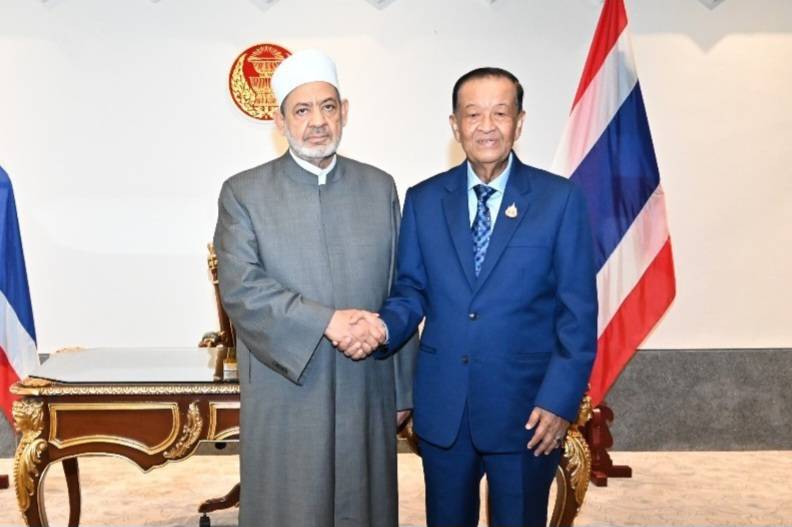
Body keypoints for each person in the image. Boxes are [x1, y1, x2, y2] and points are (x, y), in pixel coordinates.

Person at [376, 67, 598, 527]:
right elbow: (411, 291)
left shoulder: (559, 200)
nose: (486, 126)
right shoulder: (423, 199)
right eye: (473, 114)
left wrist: (559, 401)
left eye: (500, 113)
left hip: (527, 412)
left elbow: (577, 315)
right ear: (455, 126)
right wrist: (379, 329)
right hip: (445, 408)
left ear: (520, 122)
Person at [213, 49, 418, 527]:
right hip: (287, 387)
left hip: (366, 385)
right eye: (302, 110)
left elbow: (401, 285)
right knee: (291, 508)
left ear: (344, 111)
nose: (318, 122)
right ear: (280, 121)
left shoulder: (379, 187)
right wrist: (326, 321)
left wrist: (403, 391)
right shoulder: (243, 193)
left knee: (364, 506)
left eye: (328, 107)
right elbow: (242, 289)